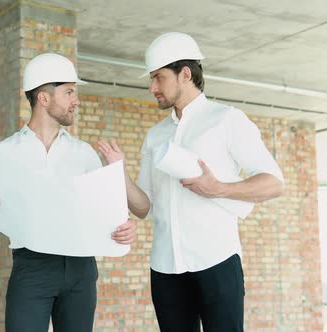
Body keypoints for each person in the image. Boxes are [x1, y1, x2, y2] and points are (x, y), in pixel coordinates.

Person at [97, 32, 284, 332]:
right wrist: (119, 171)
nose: (152, 87)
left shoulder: (227, 119)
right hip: (166, 269)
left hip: (217, 262)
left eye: (158, 78)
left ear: (185, 74)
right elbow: (144, 207)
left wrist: (220, 189)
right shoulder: (156, 136)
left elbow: (274, 182)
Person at [0, 53, 137, 332]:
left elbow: (105, 211)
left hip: (81, 269)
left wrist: (124, 227)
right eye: (69, 92)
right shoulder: (2, 154)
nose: (76, 100)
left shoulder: (84, 153)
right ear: (44, 98)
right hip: (32, 268)